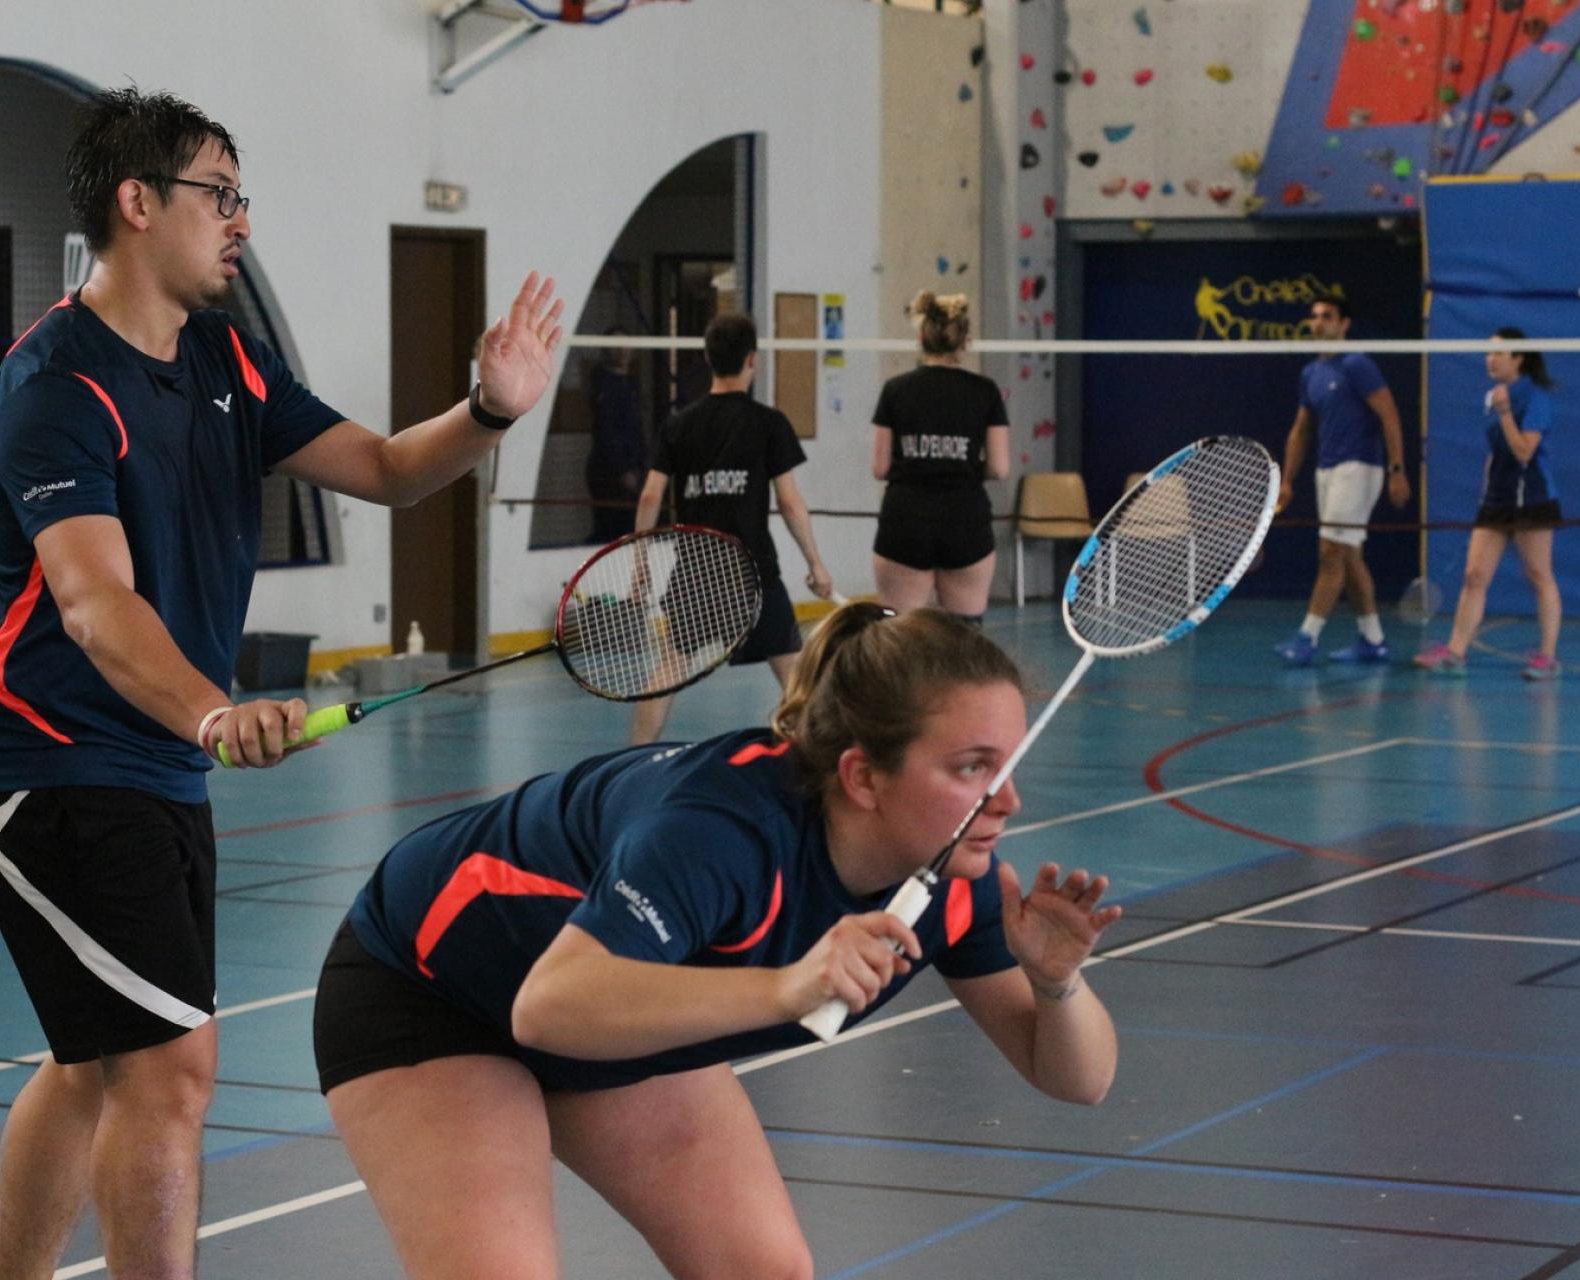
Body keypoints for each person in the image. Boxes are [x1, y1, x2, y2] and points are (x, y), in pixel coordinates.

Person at [0, 88, 563, 1279]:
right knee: (170, 1067)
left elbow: (385, 467)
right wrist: (215, 710)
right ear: (138, 203)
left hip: (154, 764)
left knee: (94, 1062)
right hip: (52, 763)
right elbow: (95, 603)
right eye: (219, 194)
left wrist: (489, 409)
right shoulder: (55, 390)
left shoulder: (226, 357)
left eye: (242, 196)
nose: (241, 219)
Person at [315, 604, 1123, 1278]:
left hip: (614, 1020)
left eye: (1008, 765)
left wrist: (1058, 984)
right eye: (972, 768)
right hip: (431, 989)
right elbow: (550, 1005)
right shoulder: (720, 830)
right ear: (863, 776)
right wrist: (788, 986)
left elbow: (1078, 1080)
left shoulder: (958, 882)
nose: (1008, 801)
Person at [628, 312, 832, 744]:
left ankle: (630, 760)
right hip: (752, 569)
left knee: (669, 668)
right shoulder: (768, 423)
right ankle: (819, 761)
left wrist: (640, 561)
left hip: (695, 567)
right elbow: (789, 502)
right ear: (751, 359)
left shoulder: (679, 423)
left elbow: (649, 497)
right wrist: (815, 563)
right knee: (794, 676)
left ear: (708, 358)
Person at [1414, 329, 1562, 678]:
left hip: (1532, 497)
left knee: (1538, 575)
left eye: (1498, 354)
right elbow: (1497, 450)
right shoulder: (1492, 396)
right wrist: (1486, 484)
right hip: (1497, 497)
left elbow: (1524, 452)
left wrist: (1505, 412)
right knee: (1474, 575)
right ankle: (1455, 653)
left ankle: (1547, 657)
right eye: (1488, 353)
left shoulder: (1535, 397)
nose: (1490, 360)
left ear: (1518, 359)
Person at [1273, 294, 1411, 666]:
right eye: (1314, 316)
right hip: (1327, 470)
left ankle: (1307, 637)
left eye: (1327, 316)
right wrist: (1287, 480)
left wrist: (1397, 470)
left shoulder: (1357, 364)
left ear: (1344, 324)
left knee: (1330, 553)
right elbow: (1301, 429)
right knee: (1349, 556)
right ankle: (1373, 640)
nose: (1318, 322)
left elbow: (1390, 415)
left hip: (1359, 467)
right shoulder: (1311, 373)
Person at [870, 290, 1011, 622]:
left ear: (922, 338)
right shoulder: (985, 391)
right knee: (964, 634)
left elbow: (880, 467)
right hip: (964, 521)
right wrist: (959, 464)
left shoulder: (895, 390)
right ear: (965, 342)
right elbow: (999, 467)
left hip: (906, 520)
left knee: (900, 633)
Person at [585, 334, 644, 542]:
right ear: (605, 350)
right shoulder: (603, 384)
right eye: (616, 345)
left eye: (627, 344)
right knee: (611, 528)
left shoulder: (631, 384)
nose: (622, 350)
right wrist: (623, 470)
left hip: (633, 467)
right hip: (609, 471)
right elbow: (606, 431)